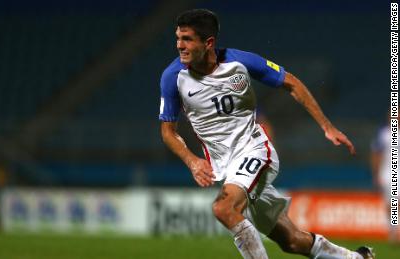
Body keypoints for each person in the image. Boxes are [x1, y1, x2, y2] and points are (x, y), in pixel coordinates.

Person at [158, 9, 374, 259]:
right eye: (178, 38)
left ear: (208, 43)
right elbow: (167, 132)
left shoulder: (239, 62)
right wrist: (192, 160)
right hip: (226, 168)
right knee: (292, 241)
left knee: (224, 208)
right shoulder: (173, 78)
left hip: (255, 151)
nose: (179, 46)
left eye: (187, 39)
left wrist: (327, 126)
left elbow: (290, 82)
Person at [371, 118, 399, 242]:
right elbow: (376, 153)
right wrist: (376, 173)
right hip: (388, 173)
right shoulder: (384, 134)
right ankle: (393, 230)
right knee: (391, 203)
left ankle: (396, 230)